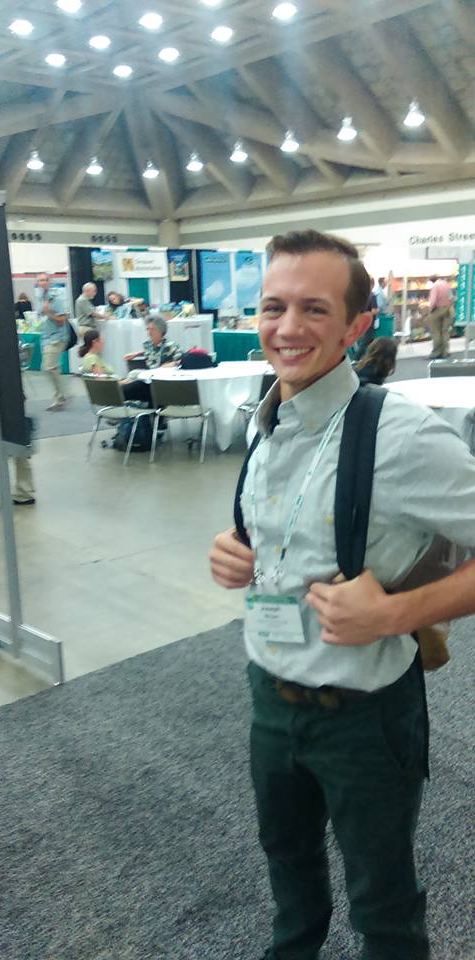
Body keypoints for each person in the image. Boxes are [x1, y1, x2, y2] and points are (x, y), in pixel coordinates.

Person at [209, 228, 475, 960]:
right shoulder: (266, 416)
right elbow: (289, 530)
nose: (288, 327)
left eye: (314, 309)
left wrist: (396, 613)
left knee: (383, 903)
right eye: (273, 307)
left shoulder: (399, 435)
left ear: (357, 327)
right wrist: (235, 549)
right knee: (288, 871)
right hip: (270, 697)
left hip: (364, 715)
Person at [123, 313, 182, 405]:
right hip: (149, 380)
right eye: (148, 329)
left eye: (152, 329)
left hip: (163, 383)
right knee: (133, 378)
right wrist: (138, 353)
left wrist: (173, 363)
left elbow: (183, 360)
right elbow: (153, 353)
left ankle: (116, 392)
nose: (149, 332)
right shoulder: (147, 345)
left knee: (131, 385)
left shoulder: (171, 346)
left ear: (161, 331)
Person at [35, 272, 69, 411]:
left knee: (48, 367)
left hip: (57, 337)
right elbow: (40, 315)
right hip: (46, 336)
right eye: (40, 280)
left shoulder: (57, 297)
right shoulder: (41, 297)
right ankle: (60, 396)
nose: (42, 282)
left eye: (45, 280)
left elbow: (62, 320)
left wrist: (49, 312)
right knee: (51, 368)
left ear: (50, 281)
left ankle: (60, 396)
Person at [428, 274, 454, 359]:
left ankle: (436, 352)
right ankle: (445, 351)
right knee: (445, 331)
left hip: (437, 310)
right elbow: (451, 298)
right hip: (448, 309)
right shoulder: (446, 284)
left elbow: (433, 300)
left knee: (436, 331)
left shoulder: (435, 286)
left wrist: (430, 310)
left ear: (432, 281)